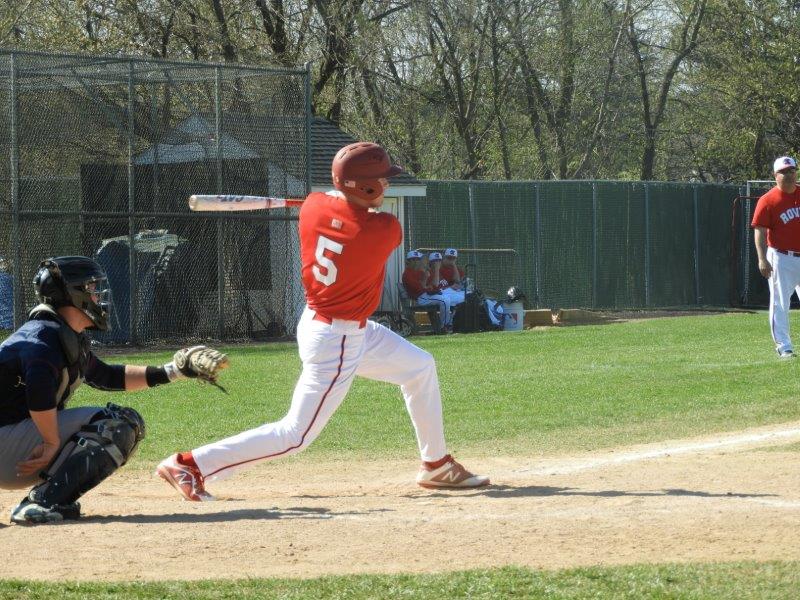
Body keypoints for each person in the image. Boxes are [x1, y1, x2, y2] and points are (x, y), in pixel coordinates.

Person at [156, 142, 489, 501]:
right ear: (362, 186)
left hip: (325, 323)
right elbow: (360, 216)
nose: (386, 185)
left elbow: (333, 202)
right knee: (295, 435)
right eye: (381, 180)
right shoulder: (381, 230)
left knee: (419, 367)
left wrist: (341, 200)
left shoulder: (313, 208)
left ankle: (436, 464)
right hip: (338, 339)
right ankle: (191, 463)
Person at [0, 256, 228, 524]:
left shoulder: (60, 334)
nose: (99, 297)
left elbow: (106, 376)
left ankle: (48, 500)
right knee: (117, 426)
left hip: (12, 441)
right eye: (93, 289)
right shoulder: (42, 340)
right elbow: (38, 390)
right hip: (8, 443)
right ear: (73, 294)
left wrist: (174, 371)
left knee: (123, 424)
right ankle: (41, 504)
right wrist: (51, 442)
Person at [752, 155, 800, 358]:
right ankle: (784, 346)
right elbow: (760, 232)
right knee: (780, 302)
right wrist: (762, 259)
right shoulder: (768, 200)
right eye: (783, 172)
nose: (789, 175)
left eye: (791, 171)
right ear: (775, 175)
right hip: (781, 257)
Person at [402, 250, 454, 333]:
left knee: (448, 298)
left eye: (417, 259)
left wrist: (429, 286)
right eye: (414, 259)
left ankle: (447, 325)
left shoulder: (419, 271)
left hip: (426, 295)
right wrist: (427, 286)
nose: (416, 261)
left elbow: (432, 284)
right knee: (444, 301)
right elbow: (419, 288)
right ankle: (444, 326)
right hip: (420, 298)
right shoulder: (407, 274)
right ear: (408, 261)